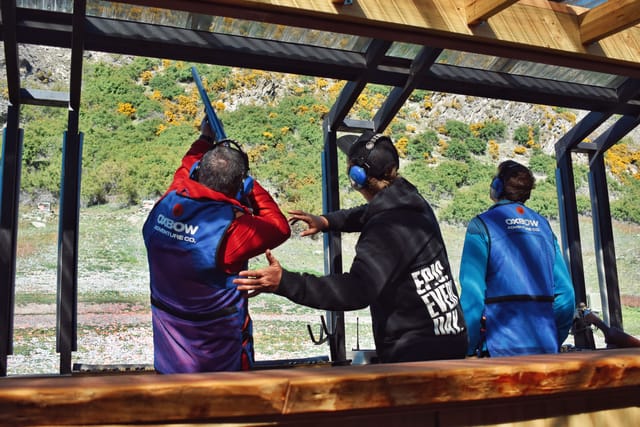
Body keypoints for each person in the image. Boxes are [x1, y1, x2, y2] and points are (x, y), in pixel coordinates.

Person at [234, 131, 468, 363]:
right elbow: (368, 212)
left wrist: (284, 282)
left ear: (357, 177)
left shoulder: (385, 230)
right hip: (451, 340)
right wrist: (327, 221)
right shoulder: (410, 200)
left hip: (418, 357)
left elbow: (355, 291)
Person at [142, 119, 291, 374]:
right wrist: (250, 185)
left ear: (199, 173)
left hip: (169, 361)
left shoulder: (170, 199)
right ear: (238, 186)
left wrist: (204, 138)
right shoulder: (231, 231)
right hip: (221, 364)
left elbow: (187, 164)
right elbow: (280, 227)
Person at [459, 160, 575, 357]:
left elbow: (473, 296)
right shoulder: (544, 227)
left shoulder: (481, 225)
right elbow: (566, 296)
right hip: (545, 351)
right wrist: (554, 338)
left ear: (497, 187)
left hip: (498, 351)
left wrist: (468, 348)